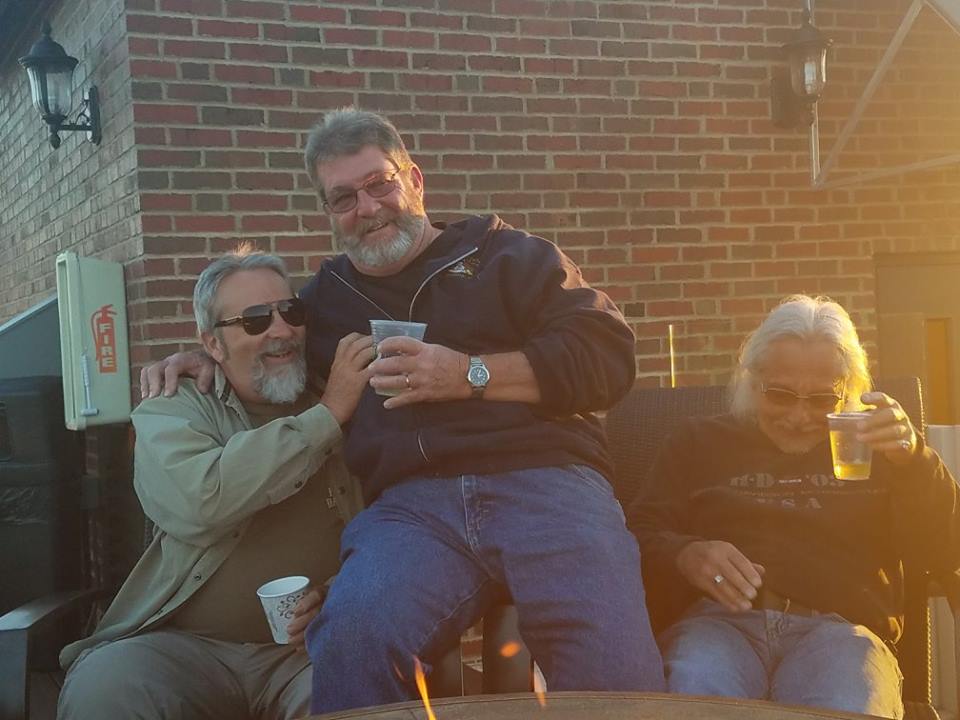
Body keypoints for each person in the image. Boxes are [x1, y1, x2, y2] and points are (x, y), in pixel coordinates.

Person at [141, 107, 665, 712]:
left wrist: (468, 373)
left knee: (609, 659)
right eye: (343, 198)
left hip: (546, 482)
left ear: (414, 179)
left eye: (379, 183)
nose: (366, 208)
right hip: (412, 512)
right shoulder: (324, 301)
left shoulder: (509, 256)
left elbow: (608, 357)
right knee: (350, 636)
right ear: (328, 212)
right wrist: (205, 355)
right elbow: (269, 343)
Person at [58, 247, 373, 720]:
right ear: (213, 344)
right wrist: (326, 417)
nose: (281, 330)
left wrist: (333, 591)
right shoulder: (172, 406)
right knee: (104, 689)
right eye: (255, 320)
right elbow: (200, 500)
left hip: (306, 651)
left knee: (356, 691)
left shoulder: (345, 398)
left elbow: (384, 523)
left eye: (290, 312)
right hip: (184, 648)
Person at [628, 294, 960, 719]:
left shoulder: (879, 450)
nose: (800, 416)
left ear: (848, 391)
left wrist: (914, 459)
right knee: (695, 697)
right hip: (719, 627)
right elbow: (637, 536)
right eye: (781, 395)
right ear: (752, 382)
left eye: (822, 400)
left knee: (846, 706)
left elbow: (945, 552)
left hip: (841, 634)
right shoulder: (697, 444)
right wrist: (684, 554)